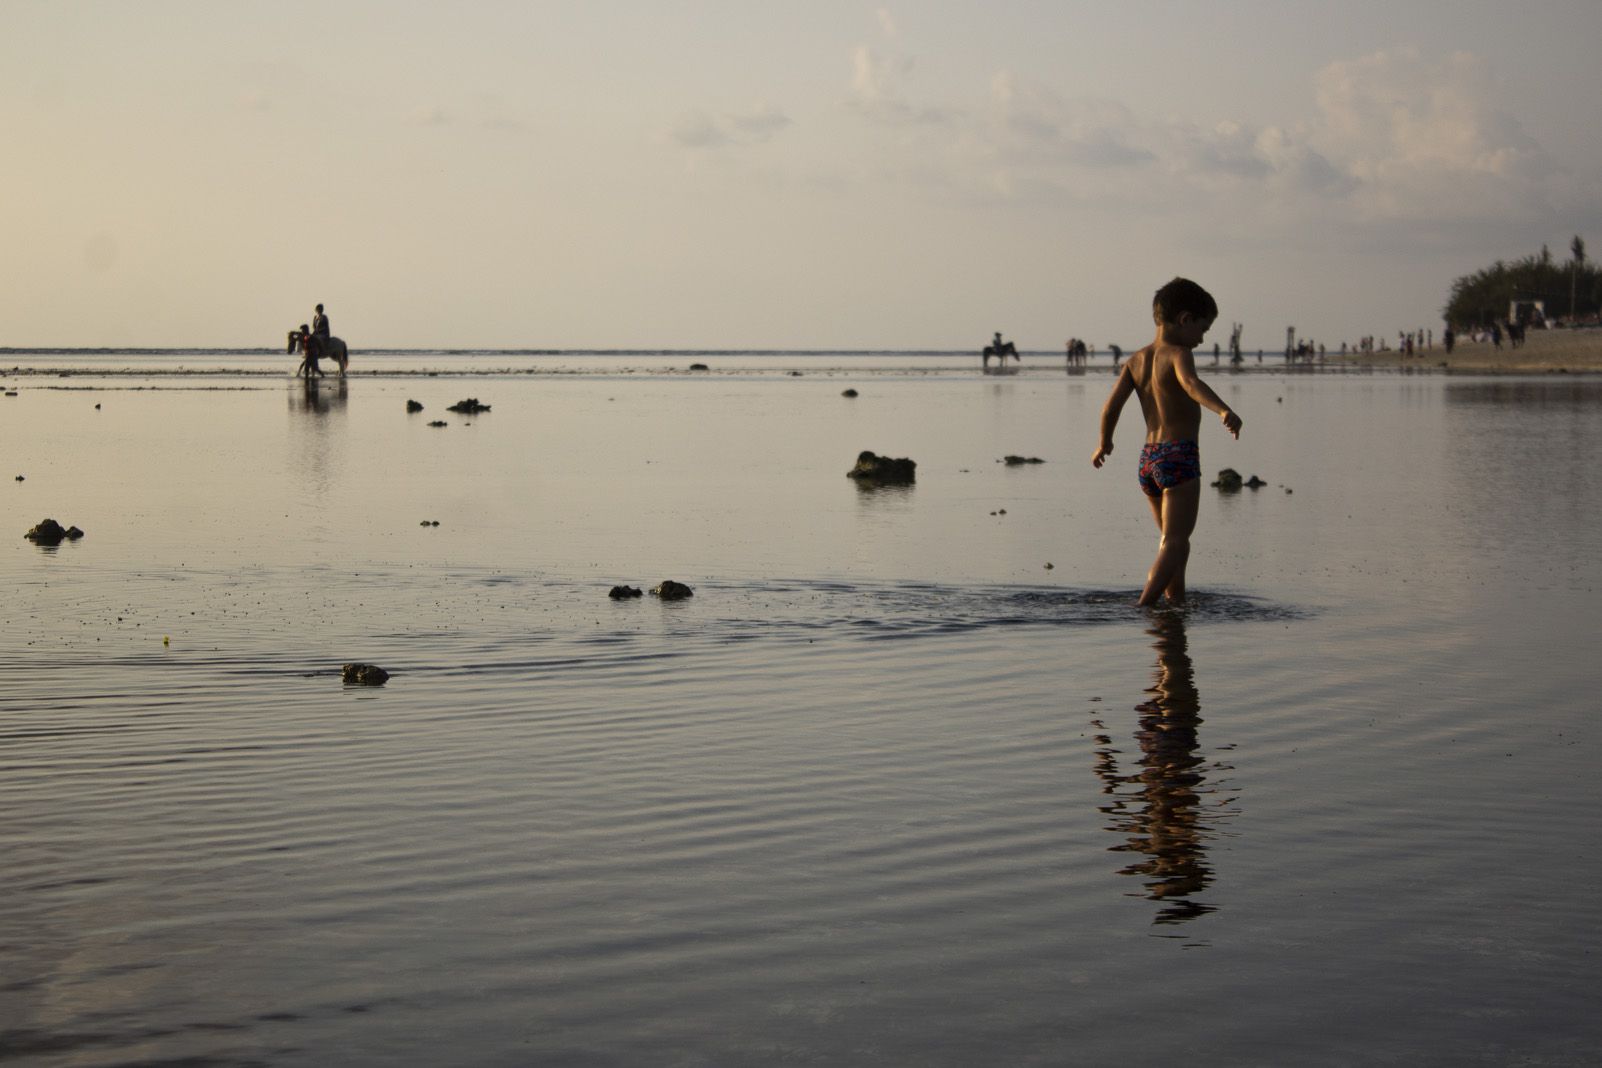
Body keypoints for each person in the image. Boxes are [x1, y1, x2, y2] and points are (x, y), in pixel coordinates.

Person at [1091, 277, 1242, 606]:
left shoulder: (1135, 360)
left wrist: (1104, 443)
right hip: (1179, 456)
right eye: (1202, 330)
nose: (1201, 340)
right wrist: (1222, 410)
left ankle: (1176, 603)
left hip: (1149, 460)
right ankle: (1144, 606)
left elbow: (1110, 407)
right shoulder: (1179, 353)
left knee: (1171, 543)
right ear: (1185, 319)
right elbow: (1190, 384)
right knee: (1176, 542)